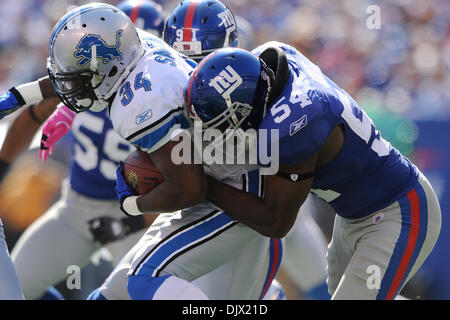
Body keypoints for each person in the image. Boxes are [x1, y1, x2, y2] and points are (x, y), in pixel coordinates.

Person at [45, 3, 279, 300]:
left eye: (78, 79)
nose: (72, 89)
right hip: (214, 178)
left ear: (109, 68)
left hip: (235, 195)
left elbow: (188, 189)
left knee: (145, 281)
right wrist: (24, 94)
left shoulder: (138, 105)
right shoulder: (137, 47)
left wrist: (132, 204)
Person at [186, 42, 442, 299]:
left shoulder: (294, 124)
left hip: (396, 211)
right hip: (353, 214)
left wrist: (201, 185)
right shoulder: (269, 66)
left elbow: (275, 221)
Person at [163, 0, 329, 299]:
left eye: (204, 52)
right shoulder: (168, 85)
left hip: (270, 203)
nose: (193, 64)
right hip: (228, 211)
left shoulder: (248, 76)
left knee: (327, 290)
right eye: (183, 53)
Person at [2, 0, 167, 300]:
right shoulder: (83, 76)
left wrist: (127, 222)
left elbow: (185, 185)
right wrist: (2, 166)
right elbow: (33, 114)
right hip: (76, 208)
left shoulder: (162, 97)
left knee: (144, 292)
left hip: (140, 215)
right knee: (15, 287)